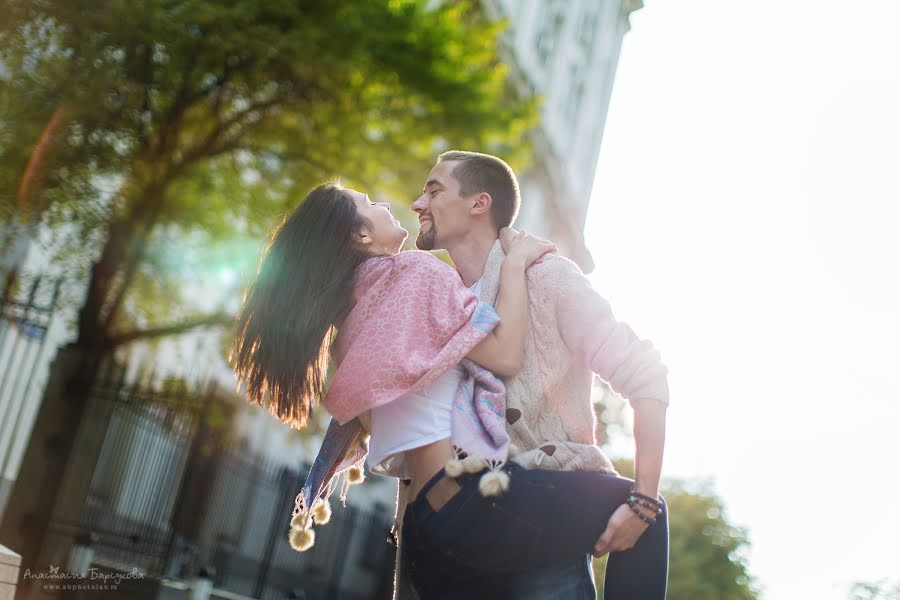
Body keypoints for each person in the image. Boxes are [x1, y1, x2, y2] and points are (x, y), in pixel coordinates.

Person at [231, 172, 670, 598]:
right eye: (371, 204)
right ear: (361, 237)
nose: (402, 204)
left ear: (479, 204)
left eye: (433, 190)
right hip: (473, 506)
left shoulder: (353, 328)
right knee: (648, 510)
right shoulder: (412, 275)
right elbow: (504, 355)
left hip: (428, 535)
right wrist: (514, 264)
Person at [393, 150, 671, 599]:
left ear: (478, 204)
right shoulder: (439, 304)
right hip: (458, 548)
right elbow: (419, 460)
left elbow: (647, 377)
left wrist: (642, 503)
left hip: (543, 534)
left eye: (434, 190)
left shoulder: (548, 278)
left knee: (651, 516)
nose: (418, 204)